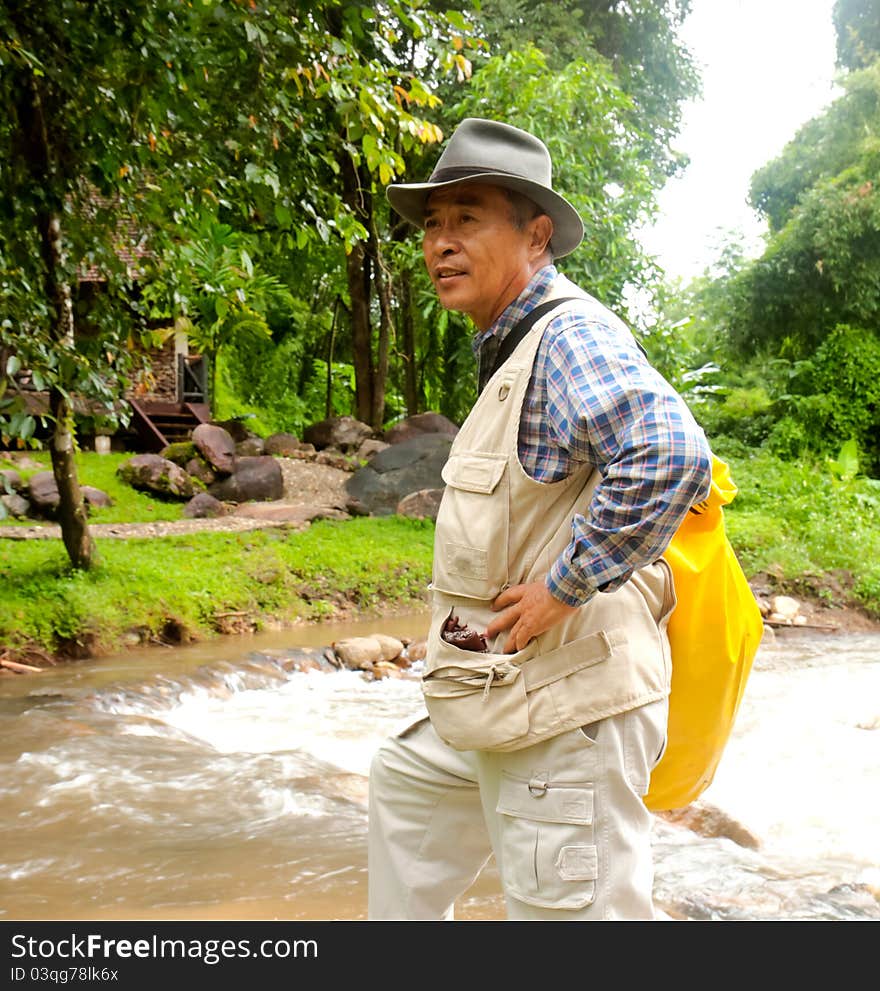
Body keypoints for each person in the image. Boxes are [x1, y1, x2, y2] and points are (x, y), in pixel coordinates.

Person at [368, 117, 713, 921]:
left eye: (469, 218)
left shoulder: (567, 335)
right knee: (406, 786)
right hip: (505, 694)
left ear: (537, 235)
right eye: (432, 224)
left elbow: (670, 455)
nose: (442, 243)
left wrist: (563, 585)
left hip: (569, 706)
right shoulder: (511, 341)